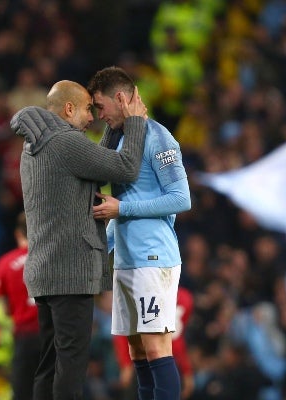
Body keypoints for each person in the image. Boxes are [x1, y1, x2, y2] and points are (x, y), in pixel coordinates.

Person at [10, 79, 148, 400]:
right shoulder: (65, 141)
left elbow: (95, 168)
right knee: (71, 363)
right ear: (68, 108)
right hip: (71, 271)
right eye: (87, 109)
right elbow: (125, 168)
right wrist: (136, 123)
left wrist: (115, 131)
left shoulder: (35, 145)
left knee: (50, 361)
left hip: (45, 270)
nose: (92, 118)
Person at [88, 66, 191, 400]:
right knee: (138, 353)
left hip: (153, 257)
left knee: (157, 348)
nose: (99, 116)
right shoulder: (120, 137)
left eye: (100, 107)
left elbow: (181, 198)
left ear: (120, 98)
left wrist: (123, 209)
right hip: (127, 258)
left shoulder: (158, 137)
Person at [0, 211, 39, 400]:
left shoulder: (5, 263)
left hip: (24, 336)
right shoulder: (51, 259)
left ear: (17, 234)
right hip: (52, 333)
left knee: (22, 390)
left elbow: (5, 309)